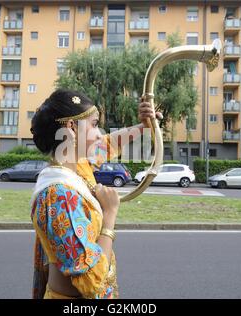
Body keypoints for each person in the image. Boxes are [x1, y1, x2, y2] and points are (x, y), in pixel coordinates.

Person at [29, 88, 160, 299]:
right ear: (71, 127)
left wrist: (144, 127)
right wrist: (109, 214)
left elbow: (106, 144)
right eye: (94, 124)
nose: (100, 133)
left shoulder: (77, 167)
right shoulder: (58, 195)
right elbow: (91, 282)